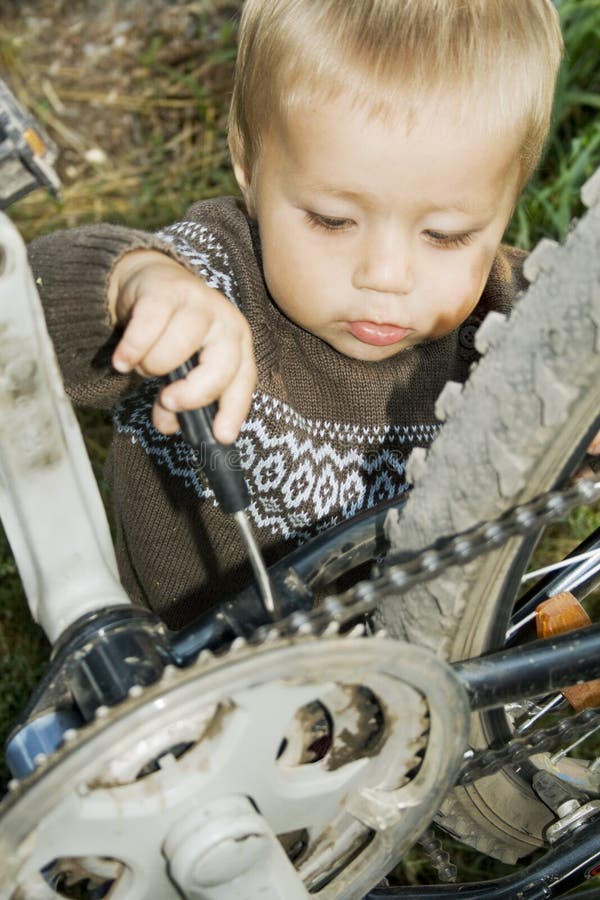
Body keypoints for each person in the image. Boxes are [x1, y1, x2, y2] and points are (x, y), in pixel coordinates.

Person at [28, 0, 564, 630]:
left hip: (409, 666)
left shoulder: (512, 326)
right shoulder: (217, 282)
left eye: (445, 234)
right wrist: (135, 284)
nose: (386, 276)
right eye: (332, 221)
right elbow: (29, 313)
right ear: (250, 168)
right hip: (193, 668)